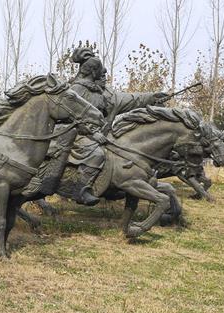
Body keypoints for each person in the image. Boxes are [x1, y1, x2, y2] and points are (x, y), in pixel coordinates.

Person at [66, 48, 169, 204]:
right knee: (97, 154)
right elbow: (72, 117)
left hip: (99, 136)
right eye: (101, 74)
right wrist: (92, 133)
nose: (104, 78)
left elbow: (130, 99)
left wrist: (152, 97)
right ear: (93, 73)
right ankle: (81, 190)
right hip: (79, 135)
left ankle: (113, 188)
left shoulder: (104, 94)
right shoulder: (76, 90)